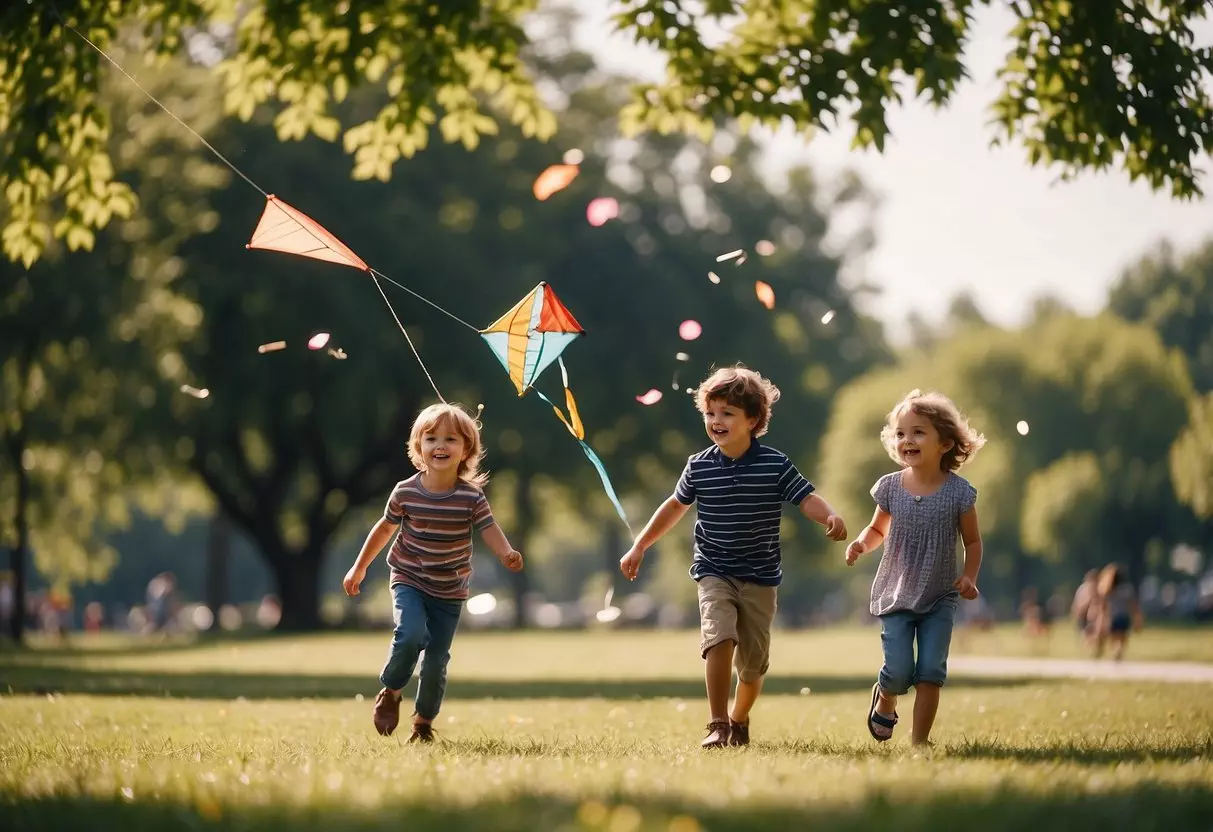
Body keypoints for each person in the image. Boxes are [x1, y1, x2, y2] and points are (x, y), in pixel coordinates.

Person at [619, 365, 848, 749]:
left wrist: (830, 515)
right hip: (714, 570)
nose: (716, 421)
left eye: (727, 413)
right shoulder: (699, 465)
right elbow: (674, 507)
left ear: (752, 420)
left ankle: (739, 719)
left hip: (759, 577)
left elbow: (806, 497)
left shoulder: (775, 465)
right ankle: (717, 722)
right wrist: (640, 544)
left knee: (754, 667)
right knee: (719, 636)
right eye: (710, 413)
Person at [343, 402, 524, 742]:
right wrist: (359, 567)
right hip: (409, 579)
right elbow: (384, 529)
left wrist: (507, 552)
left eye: (451, 439)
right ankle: (391, 690)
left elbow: (489, 528)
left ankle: (423, 724)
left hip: (450, 591)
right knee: (410, 634)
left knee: (436, 660)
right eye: (431, 438)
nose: (440, 446)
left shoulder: (471, 498)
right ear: (418, 448)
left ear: (466, 449)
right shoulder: (406, 491)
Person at [845, 389, 985, 747]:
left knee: (930, 672)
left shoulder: (959, 494)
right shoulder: (891, 488)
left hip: (940, 597)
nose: (908, 439)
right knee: (899, 672)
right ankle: (886, 696)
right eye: (902, 433)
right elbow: (878, 529)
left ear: (945, 443)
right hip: (897, 593)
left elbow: (972, 542)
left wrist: (969, 576)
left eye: (919, 432)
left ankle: (919, 741)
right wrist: (862, 543)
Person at [1093, 563, 1142, 661]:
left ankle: (1115, 652)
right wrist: (1137, 619)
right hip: (1124, 617)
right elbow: (1133, 606)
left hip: (1113, 617)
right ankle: (1119, 653)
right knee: (1122, 638)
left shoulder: (1107, 590)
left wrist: (1101, 621)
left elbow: (1103, 608)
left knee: (1114, 638)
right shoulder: (1128, 589)